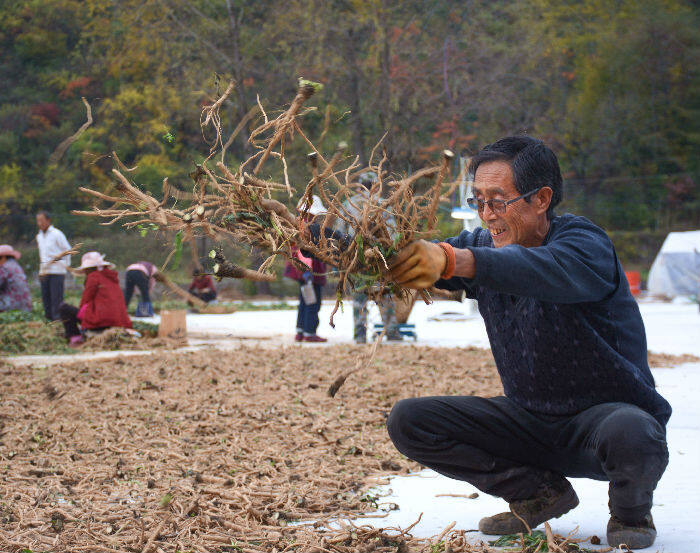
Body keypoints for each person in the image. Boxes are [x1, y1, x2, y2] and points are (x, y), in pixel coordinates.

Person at [384, 136, 669, 550]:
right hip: (528, 423)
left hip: (601, 426)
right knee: (410, 420)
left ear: (542, 199)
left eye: (498, 201)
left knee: (634, 431)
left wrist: (454, 261)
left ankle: (630, 511)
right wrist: (312, 236)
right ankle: (538, 492)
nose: (487, 216)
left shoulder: (584, 245)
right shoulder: (483, 247)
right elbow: (399, 254)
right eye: (479, 201)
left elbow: (542, 269)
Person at [332, 171, 408, 343]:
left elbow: (339, 234)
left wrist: (343, 255)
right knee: (385, 295)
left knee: (360, 299)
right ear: (375, 186)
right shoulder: (383, 205)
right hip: (380, 260)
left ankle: (360, 335)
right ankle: (392, 332)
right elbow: (394, 233)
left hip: (356, 261)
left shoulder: (348, 205)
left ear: (360, 186)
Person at [59, 252, 132, 346]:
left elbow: (85, 301)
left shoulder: (93, 277)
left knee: (64, 308)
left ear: (89, 269)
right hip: (119, 322)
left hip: (100, 322)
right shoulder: (112, 278)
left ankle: (76, 338)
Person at [284, 195, 328, 343]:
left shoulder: (296, 225)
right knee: (313, 302)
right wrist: (307, 271)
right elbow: (303, 252)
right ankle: (310, 332)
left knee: (304, 300)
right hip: (309, 271)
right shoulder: (305, 227)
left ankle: (300, 331)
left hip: (301, 271)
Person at [35, 210, 71, 321]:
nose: (40, 223)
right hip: (45, 271)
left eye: (42, 220)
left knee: (56, 298)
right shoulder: (39, 236)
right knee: (46, 298)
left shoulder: (57, 234)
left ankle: (58, 320)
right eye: (38, 221)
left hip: (57, 271)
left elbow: (67, 250)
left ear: (48, 220)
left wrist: (64, 265)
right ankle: (49, 320)